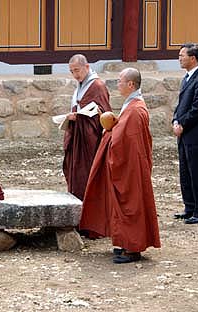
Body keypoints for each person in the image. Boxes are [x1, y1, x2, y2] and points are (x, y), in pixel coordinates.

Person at [80, 67, 161, 264]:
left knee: (130, 205)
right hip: (130, 166)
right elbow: (121, 132)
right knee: (123, 205)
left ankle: (132, 248)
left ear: (131, 84)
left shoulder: (135, 110)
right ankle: (124, 243)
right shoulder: (132, 106)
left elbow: (125, 142)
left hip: (130, 168)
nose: (117, 84)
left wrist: (109, 133)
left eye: (120, 81)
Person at [172, 43, 198, 224]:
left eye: (182, 55)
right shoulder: (186, 78)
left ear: (193, 58)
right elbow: (181, 105)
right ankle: (189, 207)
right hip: (183, 133)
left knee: (197, 172)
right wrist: (175, 120)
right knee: (185, 172)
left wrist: (182, 123)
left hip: (196, 134)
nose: (180, 58)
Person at [63, 54, 111, 201]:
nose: (75, 75)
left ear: (87, 67)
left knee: (87, 174)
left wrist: (81, 117)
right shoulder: (80, 86)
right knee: (76, 174)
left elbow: (104, 113)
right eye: (72, 71)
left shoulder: (97, 86)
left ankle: (89, 209)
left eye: (77, 70)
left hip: (90, 141)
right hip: (77, 137)